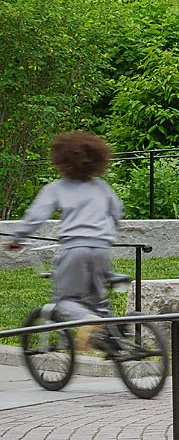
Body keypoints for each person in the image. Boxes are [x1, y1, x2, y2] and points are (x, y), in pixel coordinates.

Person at [5, 131, 128, 346]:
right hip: (101, 249)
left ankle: (86, 321)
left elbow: (35, 217)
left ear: (61, 160)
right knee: (99, 303)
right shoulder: (101, 186)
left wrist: (17, 238)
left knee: (64, 302)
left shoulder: (56, 188)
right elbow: (117, 211)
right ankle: (115, 343)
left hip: (74, 248)